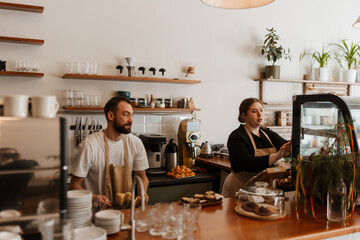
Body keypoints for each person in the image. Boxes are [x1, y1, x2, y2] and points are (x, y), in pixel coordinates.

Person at [70, 96, 149, 205]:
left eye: (131, 115)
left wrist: (142, 192)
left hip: (126, 210)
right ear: (111, 116)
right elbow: (74, 185)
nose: (131, 120)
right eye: (126, 115)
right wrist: (94, 198)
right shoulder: (90, 145)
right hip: (96, 212)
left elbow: (142, 176)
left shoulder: (135, 143)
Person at [222, 98, 291, 198]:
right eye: (254, 111)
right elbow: (249, 163)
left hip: (264, 190)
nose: (260, 114)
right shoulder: (237, 136)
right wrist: (277, 156)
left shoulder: (267, 133)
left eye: (261, 110)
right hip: (240, 188)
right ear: (244, 115)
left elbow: (287, 145)